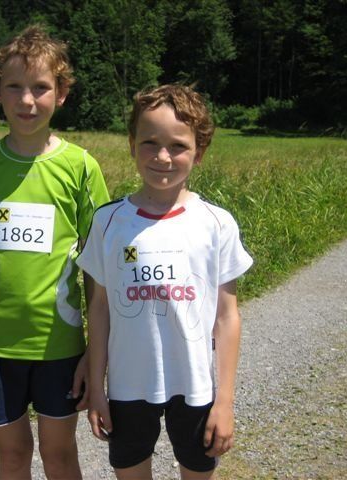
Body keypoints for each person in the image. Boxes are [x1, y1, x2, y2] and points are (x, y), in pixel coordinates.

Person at [0, 25, 109, 479]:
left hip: (59, 344)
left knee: (60, 456)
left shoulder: (80, 167)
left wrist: (95, 353)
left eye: (40, 87)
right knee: (13, 455)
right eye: (14, 87)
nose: (27, 100)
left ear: (62, 93)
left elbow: (97, 268)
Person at [77, 84, 253, 480]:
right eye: (150, 143)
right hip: (127, 386)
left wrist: (225, 402)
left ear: (199, 151)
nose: (162, 157)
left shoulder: (217, 223)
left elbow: (227, 317)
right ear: (131, 145)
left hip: (194, 386)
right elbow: (100, 309)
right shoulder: (107, 222)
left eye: (178, 146)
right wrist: (97, 389)